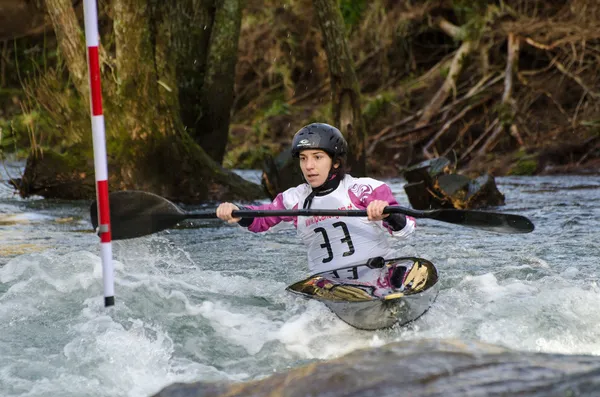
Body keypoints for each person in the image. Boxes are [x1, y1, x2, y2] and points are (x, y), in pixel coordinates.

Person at [216, 123, 415, 286]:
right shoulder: (294, 200)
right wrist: (238, 212)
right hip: (329, 287)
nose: (309, 166)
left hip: (379, 277)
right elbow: (263, 218)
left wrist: (387, 214)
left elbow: (406, 229)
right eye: (303, 158)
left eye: (317, 157)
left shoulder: (366, 189)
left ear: (336, 162)